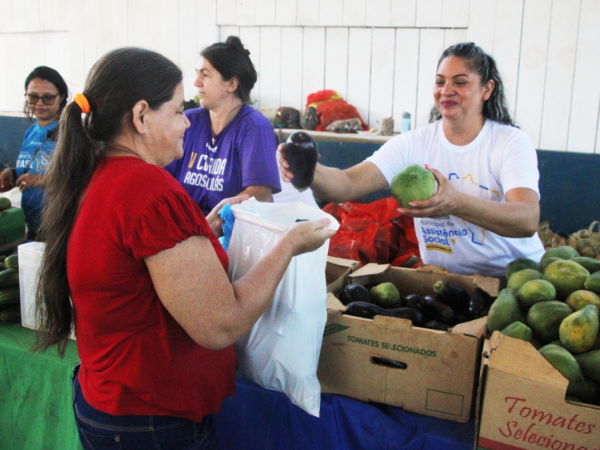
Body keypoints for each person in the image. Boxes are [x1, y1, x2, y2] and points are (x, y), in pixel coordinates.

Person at [34, 47, 335, 450]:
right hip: (150, 419)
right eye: (177, 111)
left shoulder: (98, 174)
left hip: (108, 400)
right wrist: (290, 245)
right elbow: (220, 325)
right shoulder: (148, 189)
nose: (185, 124)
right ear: (141, 116)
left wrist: (198, 233)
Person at [279, 42, 545, 279]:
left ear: (486, 89)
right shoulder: (414, 143)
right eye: (440, 82)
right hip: (447, 282)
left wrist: (456, 204)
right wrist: (309, 169)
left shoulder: (509, 142)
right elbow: (347, 184)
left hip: (516, 282)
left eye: (460, 82)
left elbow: (526, 218)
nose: (446, 90)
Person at [165, 36, 281, 216]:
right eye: (197, 73)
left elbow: (260, 194)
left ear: (231, 84)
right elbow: (161, 177)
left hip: (231, 234)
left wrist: (212, 224)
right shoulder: (189, 121)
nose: (196, 82)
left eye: (205, 74)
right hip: (185, 229)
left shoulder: (254, 127)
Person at [0, 66, 68, 239]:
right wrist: (13, 172)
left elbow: (81, 177)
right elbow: (36, 166)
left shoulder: (69, 134)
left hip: (59, 230)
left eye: (48, 98)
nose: (39, 103)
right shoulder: (30, 132)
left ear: (61, 98)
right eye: (33, 97)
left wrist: (40, 181)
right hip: (32, 227)